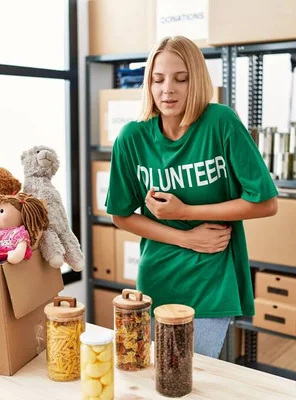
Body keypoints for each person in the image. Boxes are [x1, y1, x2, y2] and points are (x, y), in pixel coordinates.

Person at [104, 35, 278, 359]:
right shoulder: (131, 137)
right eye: (158, 79)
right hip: (156, 278)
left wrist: (187, 211)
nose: (167, 89)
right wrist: (185, 237)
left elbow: (265, 202)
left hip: (211, 277)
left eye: (180, 79)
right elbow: (121, 214)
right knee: (153, 379)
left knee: (190, 379)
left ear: (195, 80)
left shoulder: (221, 122)